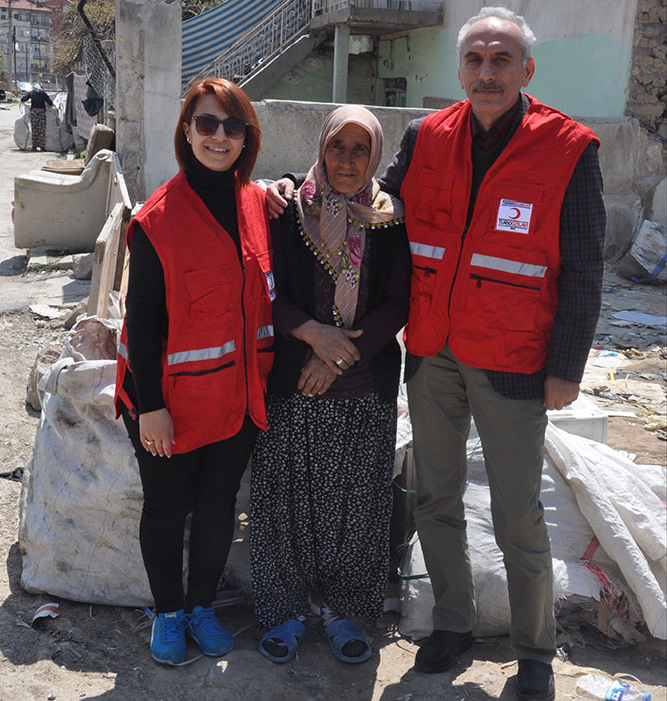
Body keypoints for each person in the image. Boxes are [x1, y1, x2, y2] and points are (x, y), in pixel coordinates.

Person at [267, 8, 605, 698]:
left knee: (517, 512)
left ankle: (535, 653)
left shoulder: (568, 147)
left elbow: (584, 268)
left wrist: (567, 366)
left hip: (514, 360)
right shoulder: (428, 136)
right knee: (436, 499)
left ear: (526, 70)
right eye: (475, 59)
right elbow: (366, 196)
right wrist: (273, 188)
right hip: (433, 353)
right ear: (460, 69)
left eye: (501, 60)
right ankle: (450, 626)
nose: (486, 72)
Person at [114, 78, 274, 666]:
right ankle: (169, 613)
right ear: (186, 130)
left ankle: (203, 607)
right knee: (166, 509)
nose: (220, 137)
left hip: (238, 400)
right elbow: (144, 323)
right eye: (207, 124)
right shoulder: (158, 220)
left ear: (246, 137)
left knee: (217, 508)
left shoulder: (257, 205)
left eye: (233, 127)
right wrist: (150, 405)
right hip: (171, 407)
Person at [251, 105, 410, 665]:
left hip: (362, 384)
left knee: (359, 506)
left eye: (359, 149)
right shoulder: (286, 209)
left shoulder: (390, 218)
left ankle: (345, 611)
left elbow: (398, 301)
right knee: (284, 503)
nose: (346, 160)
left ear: (374, 156)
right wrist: (313, 333)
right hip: (294, 380)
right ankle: (285, 610)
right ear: (321, 148)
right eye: (337, 148)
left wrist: (340, 355)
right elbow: (264, 287)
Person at [20, 83, 53, 151]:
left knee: (34, 129)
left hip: (34, 113)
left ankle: (34, 147)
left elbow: (23, 99)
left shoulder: (31, 93)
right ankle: (42, 147)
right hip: (41, 112)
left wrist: (22, 99)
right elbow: (50, 102)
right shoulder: (43, 93)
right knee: (42, 130)